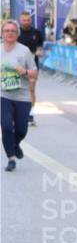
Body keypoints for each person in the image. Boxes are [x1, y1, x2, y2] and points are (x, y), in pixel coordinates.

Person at [1, 19, 38, 171]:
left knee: (22, 130)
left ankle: (15, 145)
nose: (9, 33)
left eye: (12, 31)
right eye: (6, 31)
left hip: (22, 96)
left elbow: (34, 72)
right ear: (2, 33)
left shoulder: (24, 51)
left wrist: (25, 72)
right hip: (3, 95)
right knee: (7, 126)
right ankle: (11, 158)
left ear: (17, 34)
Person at [17, 12, 43, 127]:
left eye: (28, 20)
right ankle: (18, 114)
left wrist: (39, 52)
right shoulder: (15, 32)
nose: (26, 22)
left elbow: (40, 46)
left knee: (31, 89)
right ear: (20, 20)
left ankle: (30, 114)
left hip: (32, 65)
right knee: (16, 89)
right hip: (17, 65)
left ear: (31, 20)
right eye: (24, 20)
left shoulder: (36, 32)